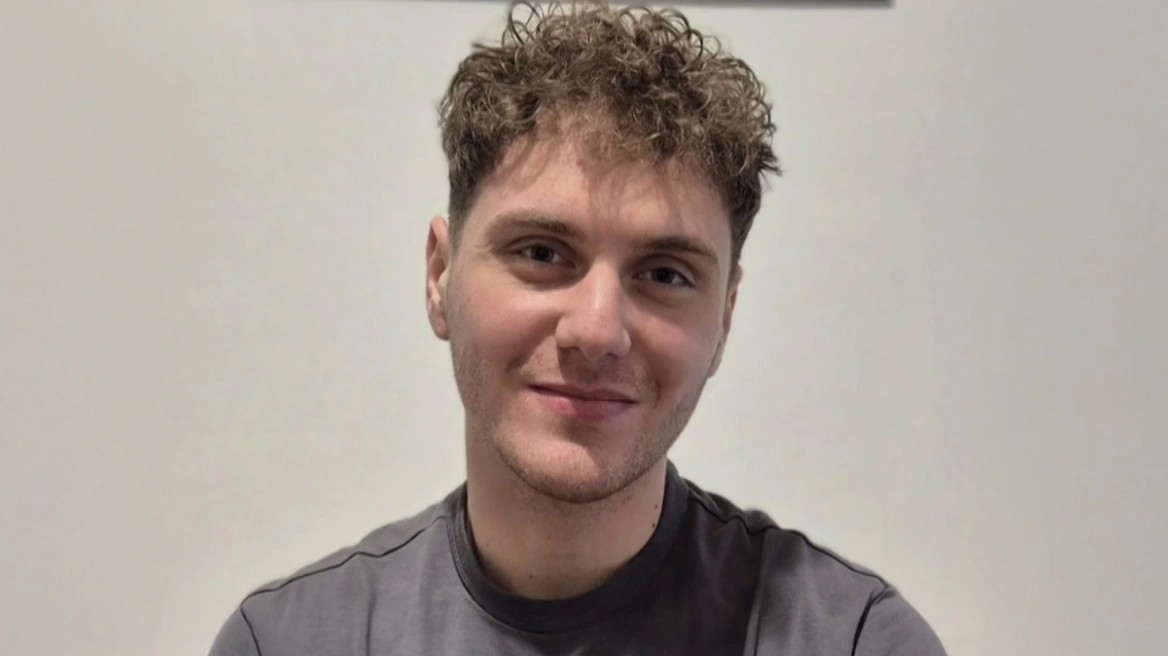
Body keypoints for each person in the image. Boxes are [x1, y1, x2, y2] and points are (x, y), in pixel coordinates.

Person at [210, 2, 946, 654]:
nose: (597, 332)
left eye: (664, 274)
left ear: (724, 321)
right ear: (440, 275)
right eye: (541, 253)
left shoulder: (855, 642)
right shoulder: (289, 642)